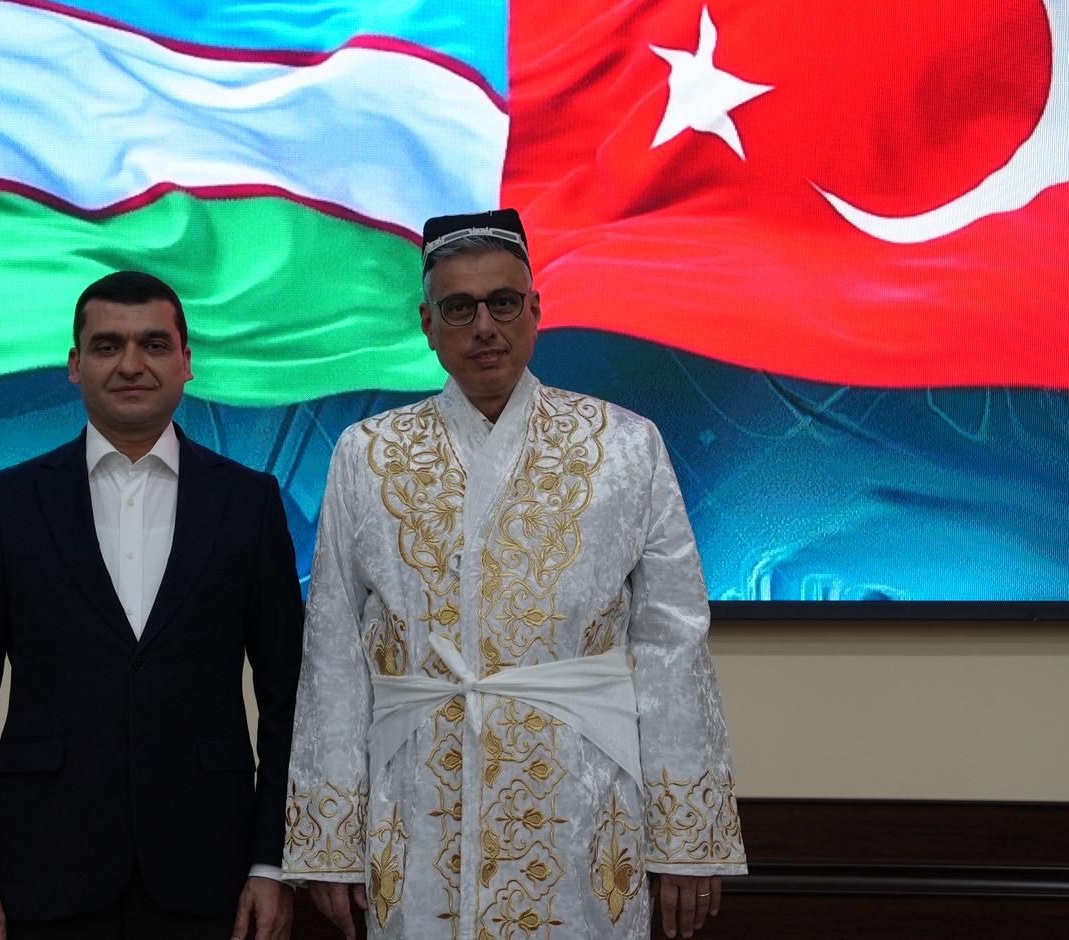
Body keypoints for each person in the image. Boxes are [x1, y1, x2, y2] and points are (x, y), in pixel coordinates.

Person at [283, 211, 745, 939]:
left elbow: (672, 644)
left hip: (582, 795)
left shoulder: (625, 447)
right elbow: (333, 653)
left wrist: (686, 839)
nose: (484, 327)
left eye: (502, 303)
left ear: (534, 310)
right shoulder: (367, 454)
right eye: (458, 308)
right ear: (427, 324)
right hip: (417, 795)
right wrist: (330, 842)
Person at [0, 271, 302, 940]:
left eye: (153, 344)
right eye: (107, 346)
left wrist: (272, 863)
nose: (131, 364)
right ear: (75, 364)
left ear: (186, 362)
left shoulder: (249, 502)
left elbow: (290, 703)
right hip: (40, 871)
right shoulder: (9, 503)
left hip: (209, 871)